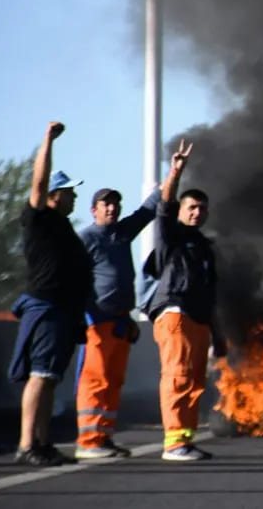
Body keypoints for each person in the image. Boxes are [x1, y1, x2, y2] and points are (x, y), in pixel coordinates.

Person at [8, 121, 92, 466]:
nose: (74, 196)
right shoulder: (39, 218)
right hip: (45, 306)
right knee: (40, 376)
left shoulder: (63, 226)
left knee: (50, 378)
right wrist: (47, 141)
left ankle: (42, 443)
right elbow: (39, 181)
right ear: (53, 196)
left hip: (63, 310)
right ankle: (27, 444)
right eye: (69, 191)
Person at [140, 140, 224, 462]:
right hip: (175, 312)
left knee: (194, 379)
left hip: (199, 318)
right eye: (191, 207)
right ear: (182, 210)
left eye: (202, 208)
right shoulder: (170, 235)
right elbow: (164, 206)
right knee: (178, 375)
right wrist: (175, 172)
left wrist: (219, 336)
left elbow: (211, 293)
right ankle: (173, 442)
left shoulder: (204, 246)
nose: (197, 212)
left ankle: (184, 440)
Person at [73, 184, 161, 459]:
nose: (112, 208)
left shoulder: (122, 234)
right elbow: (74, 279)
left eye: (115, 203)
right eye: (105, 204)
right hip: (96, 320)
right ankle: (88, 440)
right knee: (95, 380)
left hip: (121, 321)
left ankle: (104, 436)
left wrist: (173, 176)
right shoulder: (86, 239)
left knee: (113, 380)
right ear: (93, 210)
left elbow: (147, 212)